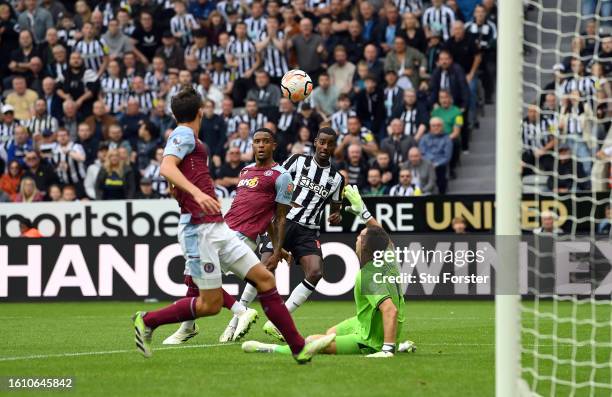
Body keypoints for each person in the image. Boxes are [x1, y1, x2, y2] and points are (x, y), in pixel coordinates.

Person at [131, 87, 335, 362]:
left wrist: (180, 188)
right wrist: (198, 194)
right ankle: (149, 321)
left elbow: (175, 173)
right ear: (200, 112)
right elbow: (166, 167)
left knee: (264, 279)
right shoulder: (183, 134)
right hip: (199, 227)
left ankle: (299, 348)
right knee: (210, 304)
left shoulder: (195, 141)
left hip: (218, 227)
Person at [242, 185, 415, 357]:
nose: (356, 238)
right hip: (366, 323)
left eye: (360, 236)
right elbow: (382, 237)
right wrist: (364, 212)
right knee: (331, 331)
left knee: (313, 341)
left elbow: (390, 310)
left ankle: (270, 349)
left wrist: (387, 350)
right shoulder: (387, 258)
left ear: (364, 246)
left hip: (370, 337)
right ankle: (393, 342)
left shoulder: (369, 276)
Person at [168, 127, 295, 344]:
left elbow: (279, 217)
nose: (261, 145)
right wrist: (277, 247)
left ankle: (236, 313)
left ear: (274, 146)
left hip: (243, 236)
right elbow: (265, 218)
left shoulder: (281, 176)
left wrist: (276, 250)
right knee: (194, 275)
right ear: (252, 145)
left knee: (199, 273)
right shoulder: (245, 171)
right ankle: (188, 327)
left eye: (266, 141)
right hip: (224, 229)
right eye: (257, 141)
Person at [229, 127, 345, 342]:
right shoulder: (296, 161)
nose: (325, 147)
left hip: (308, 231)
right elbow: (274, 180)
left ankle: (276, 322)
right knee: (263, 270)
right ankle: (234, 323)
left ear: (334, 147)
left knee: (316, 271)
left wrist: (337, 215)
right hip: (284, 222)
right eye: (322, 142)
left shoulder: (337, 179)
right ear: (315, 142)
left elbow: (336, 207)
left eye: (330, 144)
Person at [419, 118, 452, 194]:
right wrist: (429, 163)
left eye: (438, 125)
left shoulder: (447, 139)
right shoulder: (424, 138)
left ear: (442, 127)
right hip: (426, 164)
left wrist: (436, 164)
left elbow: (447, 157)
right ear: (430, 127)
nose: (436, 127)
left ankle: (441, 196)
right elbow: (422, 153)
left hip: (439, 166)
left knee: (441, 170)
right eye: (433, 126)